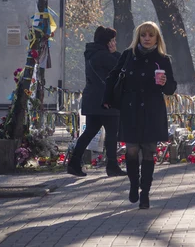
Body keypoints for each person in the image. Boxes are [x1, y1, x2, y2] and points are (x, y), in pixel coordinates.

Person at [103, 21, 177, 209]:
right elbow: (113, 76)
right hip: (131, 109)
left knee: (149, 152)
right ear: (138, 37)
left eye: (150, 35)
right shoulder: (128, 55)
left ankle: (145, 193)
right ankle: (134, 185)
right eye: (143, 35)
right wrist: (107, 98)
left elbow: (171, 89)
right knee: (132, 150)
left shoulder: (162, 59)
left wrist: (164, 82)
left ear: (156, 38)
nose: (146, 39)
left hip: (152, 110)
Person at [67, 26, 126, 177]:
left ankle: (74, 162)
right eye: (112, 40)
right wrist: (115, 53)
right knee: (112, 133)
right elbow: (122, 67)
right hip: (107, 100)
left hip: (92, 100)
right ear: (107, 42)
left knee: (90, 132)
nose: (114, 43)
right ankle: (112, 166)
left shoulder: (92, 54)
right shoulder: (105, 56)